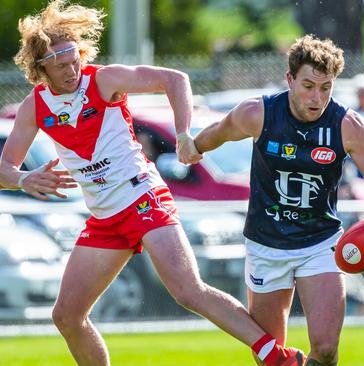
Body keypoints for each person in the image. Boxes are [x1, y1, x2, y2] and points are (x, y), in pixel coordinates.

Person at [0, 1, 305, 365]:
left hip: (142, 195)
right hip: (106, 217)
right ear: (40, 67)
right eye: (60, 65)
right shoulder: (36, 105)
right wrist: (24, 178)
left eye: (74, 60)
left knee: (187, 290)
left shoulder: (103, 79)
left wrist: (182, 134)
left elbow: (175, 79)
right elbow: (5, 167)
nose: (71, 70)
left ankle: (276, 356)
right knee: (66, 316)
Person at [192, 34, 364, 365]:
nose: (316, 97)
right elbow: (218, 131)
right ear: (289, 79)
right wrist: (192, 147)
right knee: (271, 356)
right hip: (266, 244)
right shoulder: (258, 113)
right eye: (308, 85)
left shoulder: (347, 125)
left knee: (325, 348)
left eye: (326, 87)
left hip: (320, 244)